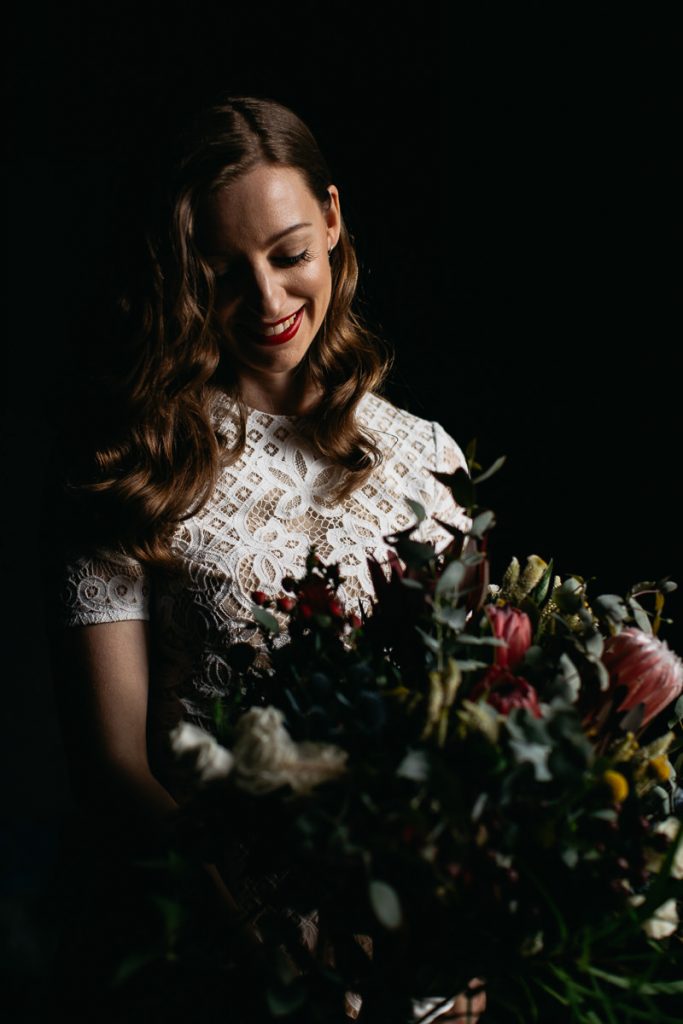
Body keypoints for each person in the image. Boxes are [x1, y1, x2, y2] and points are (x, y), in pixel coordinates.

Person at [42, 94, 486, 1022]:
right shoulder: (130, 470)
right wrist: (263, 937)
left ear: (330, 217)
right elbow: (112, 761)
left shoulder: (430, 457)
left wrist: (464, 924)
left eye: (288, 255)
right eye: (222, 273)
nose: (269, 301)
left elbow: (471, 721)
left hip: (417, 939)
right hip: (225, 948)